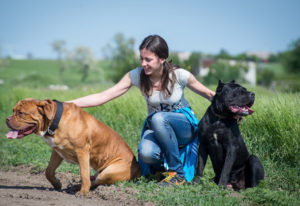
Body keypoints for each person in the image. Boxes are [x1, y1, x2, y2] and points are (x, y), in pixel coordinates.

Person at [67, 35, 215, 186]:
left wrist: (235, 108)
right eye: (141, 59)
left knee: (158, 118)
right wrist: (67, 105)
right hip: (158, 128)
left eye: (148, 59)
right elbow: (103, 96)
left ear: (162, 58)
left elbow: (210, 95)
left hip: (183, 127)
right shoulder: (137, 75)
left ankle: (177, 174)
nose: (144, 64)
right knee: (145, 152)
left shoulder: (180, 75)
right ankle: (161, 172)